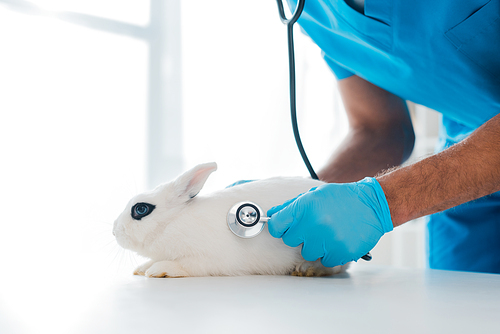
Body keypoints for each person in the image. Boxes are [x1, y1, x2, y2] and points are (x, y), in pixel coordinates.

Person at [266, 0, 500, 274]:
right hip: (468, 174)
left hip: (472, 162)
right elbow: (379, 129)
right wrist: (295, 201)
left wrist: (384, 201)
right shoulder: (310, 8)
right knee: (457, 305)